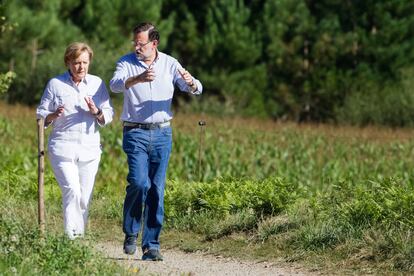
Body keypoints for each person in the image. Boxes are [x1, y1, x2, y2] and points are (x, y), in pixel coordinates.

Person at [110, 22, 203, 261]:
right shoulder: (126, 62)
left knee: (156, 190)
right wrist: (137, 79)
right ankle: (131, 231)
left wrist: (191, 82)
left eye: (141, 44)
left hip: (162, 134)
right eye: (135, 43)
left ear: (154, 43)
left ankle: (151, 245)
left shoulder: (170, 63)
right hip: (135, 132)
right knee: (139, 183)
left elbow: (195, 88)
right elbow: (115, 84)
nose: (136, 47)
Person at [36, 42, 114, 239]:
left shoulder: (97, 84)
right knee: (72, 190)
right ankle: (71, 239)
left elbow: (108, 112)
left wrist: (96, 111)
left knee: (84, 196)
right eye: (77, 62)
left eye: (85, 62)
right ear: (68, 62)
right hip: (62, 148)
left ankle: (79, 238)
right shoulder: (55, 84)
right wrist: (53, 115)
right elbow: (41, 114)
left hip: (90, 149)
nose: (81, 67)